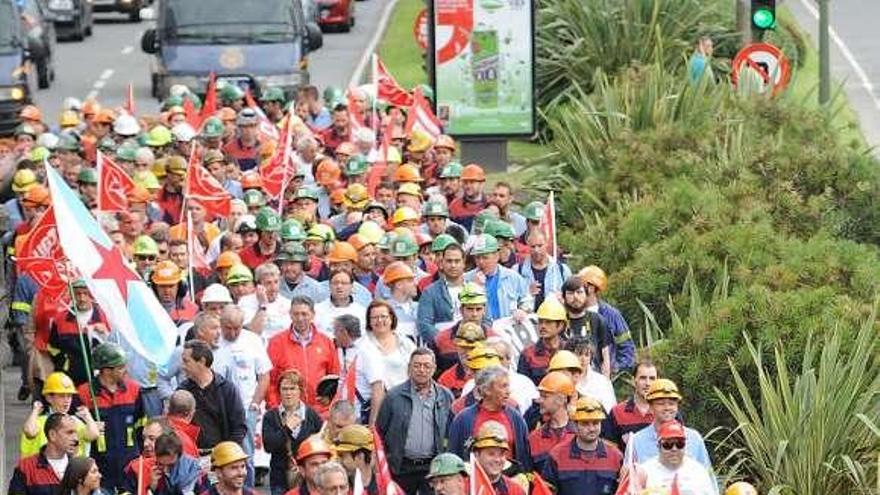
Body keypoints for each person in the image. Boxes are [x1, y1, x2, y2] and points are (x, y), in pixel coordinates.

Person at [375, 348, 454, 494]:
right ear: (409, 368)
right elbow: (379, 432)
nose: (421, 370)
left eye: (426, 366)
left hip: (434, 468)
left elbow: (451, 431)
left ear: (434, 368)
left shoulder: (445, 396)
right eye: (417, 365)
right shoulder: (393, 397)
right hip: (401, 467)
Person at [76, 343, 146, 492]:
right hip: (99, 467)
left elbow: (141, 425)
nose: (125, 370)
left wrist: (141, 456)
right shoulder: (84, 393)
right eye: (120, 367)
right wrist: (91, 425)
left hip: (129, 464)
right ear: (106, 370)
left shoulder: (134, 390)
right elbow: (76, 430)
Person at [218, 304, 273, 487]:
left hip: (246, 407)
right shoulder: (214, 340)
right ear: (221, 323)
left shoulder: (252, 340)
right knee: (220, 454)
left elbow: (264, 375)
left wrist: (255, 403)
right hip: (219, 409)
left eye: (237, 328)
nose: (233, 333)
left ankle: (247, 490)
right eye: (228, 328)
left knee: (245, 455)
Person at [447, 365, 532, 471]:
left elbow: (524, 458)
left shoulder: (516, 418)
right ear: (486, 390)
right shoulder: (463, 419)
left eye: (508, 386)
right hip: (475, 482)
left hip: (508, 482)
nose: (508, 391)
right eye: (503, 386)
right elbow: (453, 457)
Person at [266, 296, 341, 411]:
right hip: (288, 411)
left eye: (304, 314)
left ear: (313, 315)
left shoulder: (326, 342)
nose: (300, 318)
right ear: (290, 314)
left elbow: (335, 377)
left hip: (320, 411)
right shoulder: (276, 342)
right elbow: (270, 381)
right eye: (296, 314)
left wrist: (330, 402)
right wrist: (276, 408)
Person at [625, 379, 713, 471]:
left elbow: (707, 475)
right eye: (661, 404)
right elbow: (629, 480)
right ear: (650, 407)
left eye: (671, 404)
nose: (667, 408)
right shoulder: (636, 441)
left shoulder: (694, 438)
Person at [542, 397, 623, 495]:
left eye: (596, 423)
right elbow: (546, 491)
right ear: (575, 425)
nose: (591, 428)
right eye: (585, 423)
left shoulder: (616, 457)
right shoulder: (557, 456)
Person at [178, 340, 248, 452]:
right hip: (193, 457)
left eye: (186, 362)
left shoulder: (227, 389)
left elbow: (239, 427)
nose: (182, 366)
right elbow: (177, 426)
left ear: (201, 361)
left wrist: (227, 453)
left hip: (223, 457)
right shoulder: (183, 391)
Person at [355, 300, 417, 424]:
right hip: (379, 406)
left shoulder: (405, 342)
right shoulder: (365, 347)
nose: (379, 321)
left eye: (383, 316)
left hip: (407, 404)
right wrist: (374, 425)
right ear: (369, 321)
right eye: (374, 317)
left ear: (391, 318)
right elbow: (377, 388)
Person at [263, 370, 324, 495]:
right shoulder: (270, 416)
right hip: (279, 477)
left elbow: (321, 443)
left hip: (307, 479)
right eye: (284, 389)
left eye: (292, 389)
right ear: (279, 391)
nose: (288, 393)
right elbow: (269, 446)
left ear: (300, 390)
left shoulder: (312, 415)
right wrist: (287, 428)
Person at [20, 372, 100, 458]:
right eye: (61, 396)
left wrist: (88, 417)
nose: (67, 401)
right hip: (39, 469)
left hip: (68, 470)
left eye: (69, 396)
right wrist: (35, 412)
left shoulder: (74, 422)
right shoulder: (39, 422)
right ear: (49, 398)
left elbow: (93, 434)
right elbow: (30, 431)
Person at [578, 265, 635, 373]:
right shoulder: (573, 313)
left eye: (580, 285)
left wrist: (615, 368)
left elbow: (627, 348)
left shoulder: (611, 315)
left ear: (591, 288)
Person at [638, 421, 719, 495]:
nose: (674, 449)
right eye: (667, 445)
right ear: (658, 446)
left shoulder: (698, 471)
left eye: (680, 444)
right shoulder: (645, 471)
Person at [465, 234, 533, 321]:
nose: (481, 262)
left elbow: (527, 299)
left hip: (506, 330)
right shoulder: (467, 279)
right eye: (477, 258)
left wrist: (523, 310)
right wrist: (475, 288)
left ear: (496, 256)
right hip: (480, 331)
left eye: (485, 258)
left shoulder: (512, 277)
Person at [9, 413, 79, 495]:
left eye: (75, 433)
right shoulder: (26, 467)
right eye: (69, 433)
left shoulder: (82, 467)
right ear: (52, 435)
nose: (76, 438)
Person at [560, 276, 612, 376]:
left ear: (586, 295)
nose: (575, 297)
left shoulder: (597, 320)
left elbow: (605, 355)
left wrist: (606, 381)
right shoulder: (560, 321)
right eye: (570, 293)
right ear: (564, 297)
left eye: (579, 292)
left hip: (593, 379)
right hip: (566, 378)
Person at [417, 242, 467, 346]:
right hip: (442, 349)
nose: (453, 265)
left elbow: (486, 320)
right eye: (449, 261)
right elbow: (424, 324)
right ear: (442, 263)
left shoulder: (475, 289)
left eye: (457, 261)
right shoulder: (430, 292)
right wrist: (445, 341)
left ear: (464, 263)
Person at [528, 371, 577, 474]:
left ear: (561, 399)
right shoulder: (534, 439)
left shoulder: (579, 436)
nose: (539, 400)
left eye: (545, 396)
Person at [518, 298, 568, 384]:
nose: (543, 326)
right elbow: (523, 387)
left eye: (548, 322)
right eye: (540, 322)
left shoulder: (569, 350)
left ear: (560, 325)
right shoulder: (528, 355)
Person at [609, 359, 658, 448]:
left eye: (652, 379)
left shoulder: (667, 412)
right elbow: (609, 452)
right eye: (643, 378)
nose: (648, 383)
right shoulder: (617, 412)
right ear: (633, 380)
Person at [238, 262, 293, 341]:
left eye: (276, 282)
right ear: (259, 285)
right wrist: (263, 305)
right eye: (268, 283)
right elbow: (253, 332)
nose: (273, 287)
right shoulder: (245, 302)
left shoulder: (288, 304)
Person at [516, 231, 571, 309]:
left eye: (540, 246)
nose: (536, 250)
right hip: (528, 319)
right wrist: (527, 293)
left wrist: (563, 300)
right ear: (528, 246)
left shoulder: (562, 270)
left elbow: (572, 300)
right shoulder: (517, 271)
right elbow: (510, 302)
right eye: (533, 246)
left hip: (554, 318)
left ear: (546, 244)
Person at [470, 421, 527, 495]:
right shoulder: (465, 487)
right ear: (477, 455)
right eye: (491, 454)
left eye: (501, 454)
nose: (497, 459)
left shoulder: (515, 491)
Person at [565, 337, 616, 412]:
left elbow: (611, 410)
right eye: (579, 354)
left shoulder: (602, 381)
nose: (583, 359)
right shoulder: (561, 380)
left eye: (587, 355)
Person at [314, 270, 367, 338]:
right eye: (335, 283)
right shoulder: (317, 310)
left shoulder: (362, 312)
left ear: (352, 286)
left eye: (344, 283)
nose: (339, 286)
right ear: (329, 286)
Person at [332, 425, 377, 494]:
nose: (338, 461)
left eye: (342, 456)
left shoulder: (385, 487)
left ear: (359, 457)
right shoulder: (334, 487)